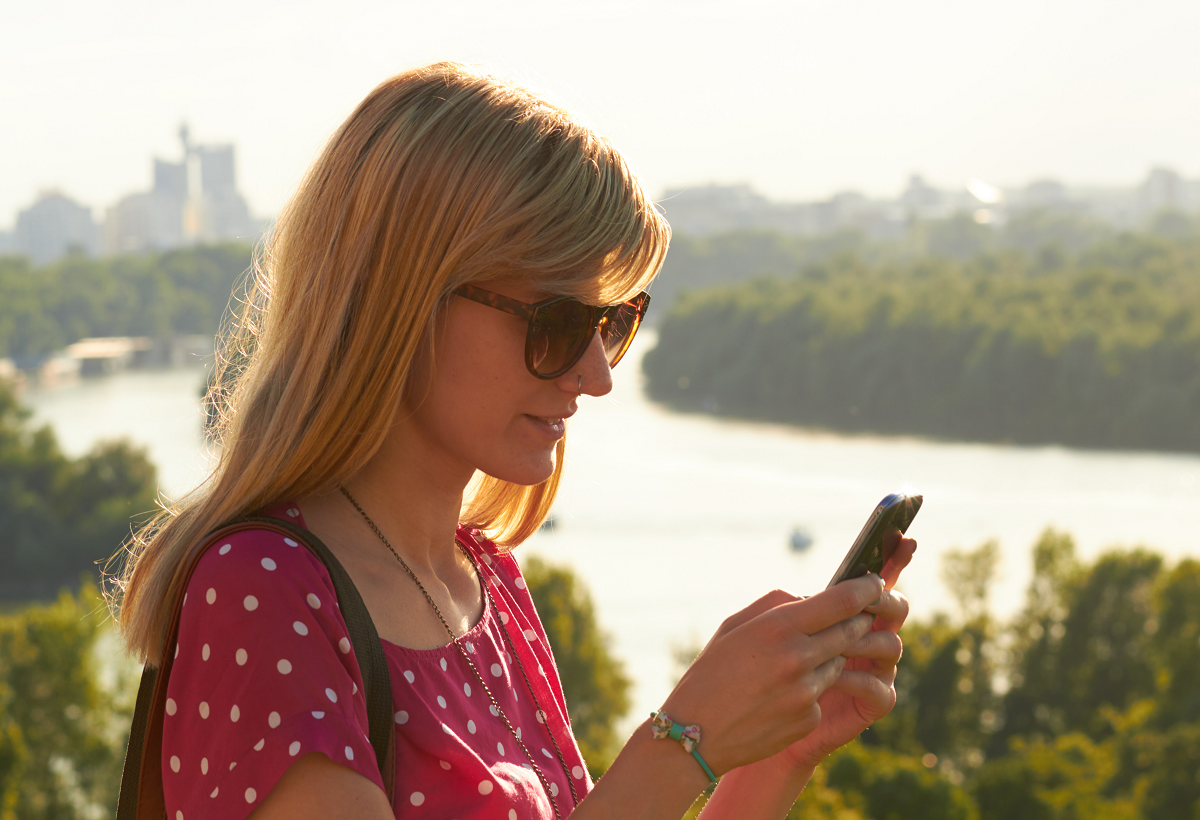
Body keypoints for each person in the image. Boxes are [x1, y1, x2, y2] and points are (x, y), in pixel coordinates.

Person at [111, 62, 915, 820]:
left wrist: (772, 755)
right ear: (404, 299)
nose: (596, 375)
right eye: (558, 322)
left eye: (614, 323)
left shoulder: (484, 580)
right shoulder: (264, 594)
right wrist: (684, 743)